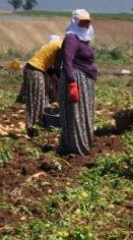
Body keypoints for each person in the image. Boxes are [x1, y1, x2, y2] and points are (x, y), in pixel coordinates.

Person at [58, 9, 97, 156]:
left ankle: (81, 144)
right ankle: (76, 147)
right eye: (82, 21)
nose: (86, 24)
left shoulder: (82, 39)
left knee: (83, 112)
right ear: (75, 21)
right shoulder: (71, 38)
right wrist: (72, 83)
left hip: (84, 78)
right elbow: (67, 61)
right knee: (75, 114)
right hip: (75, 77)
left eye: (88, 21)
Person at [22, 34, 62, 136]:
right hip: (34, 69)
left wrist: (56, 79)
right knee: (35, 99)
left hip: (35, 68)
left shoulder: (58, 45)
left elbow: (51, 67)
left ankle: (37, 123)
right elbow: (57, 67)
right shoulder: (61, 47)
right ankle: (30, 127)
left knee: (40, 98)